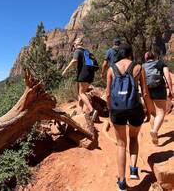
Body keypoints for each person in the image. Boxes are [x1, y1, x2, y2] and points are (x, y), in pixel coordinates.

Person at [106, 44, 151, 191]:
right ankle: (133, 170)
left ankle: (122, 182)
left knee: (121, 144)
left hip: (117, 109)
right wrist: (149, 110)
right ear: (130, 54)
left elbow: (107, 94)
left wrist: (109, 113)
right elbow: (144, 93)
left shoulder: (111, 69)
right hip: (134, 108)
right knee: (133, 138)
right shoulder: (138, 67)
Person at [62, 38, 98, 118]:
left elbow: (74, 60)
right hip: (91, 74)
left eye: (74, 44)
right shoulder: (87, 52)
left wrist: (65, 70)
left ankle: (92, 110)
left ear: (76, 44)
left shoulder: (77, 51)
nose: (73, 46)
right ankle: (80, 111)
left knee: (81, 93)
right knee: (80, 93)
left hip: (83, 74)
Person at [142, 51, 173, 145]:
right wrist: (170, 89)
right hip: (159, 89)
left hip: (147, 90)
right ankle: (154, 131)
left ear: (145, 58)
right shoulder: (160, 63)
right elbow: (167, 75)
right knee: (161, 112)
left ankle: (154, 132)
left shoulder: (142, 66)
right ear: (154, 57)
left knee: (152, 112)